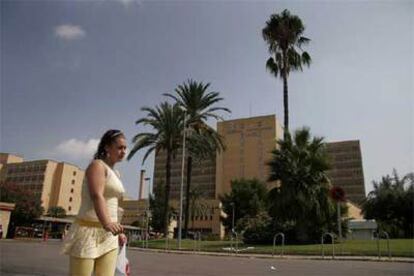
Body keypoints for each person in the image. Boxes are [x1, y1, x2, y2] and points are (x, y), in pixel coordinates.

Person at [61, 129, 128, 276]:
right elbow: (96, 195)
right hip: (88, 232)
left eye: (125, 148)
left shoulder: (116, 173)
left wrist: (117, 230)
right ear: (107, 147)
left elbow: (113, 202)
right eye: (119, 147)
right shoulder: (97, 165)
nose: (123, 151)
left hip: (109, 237)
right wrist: (107, 223)